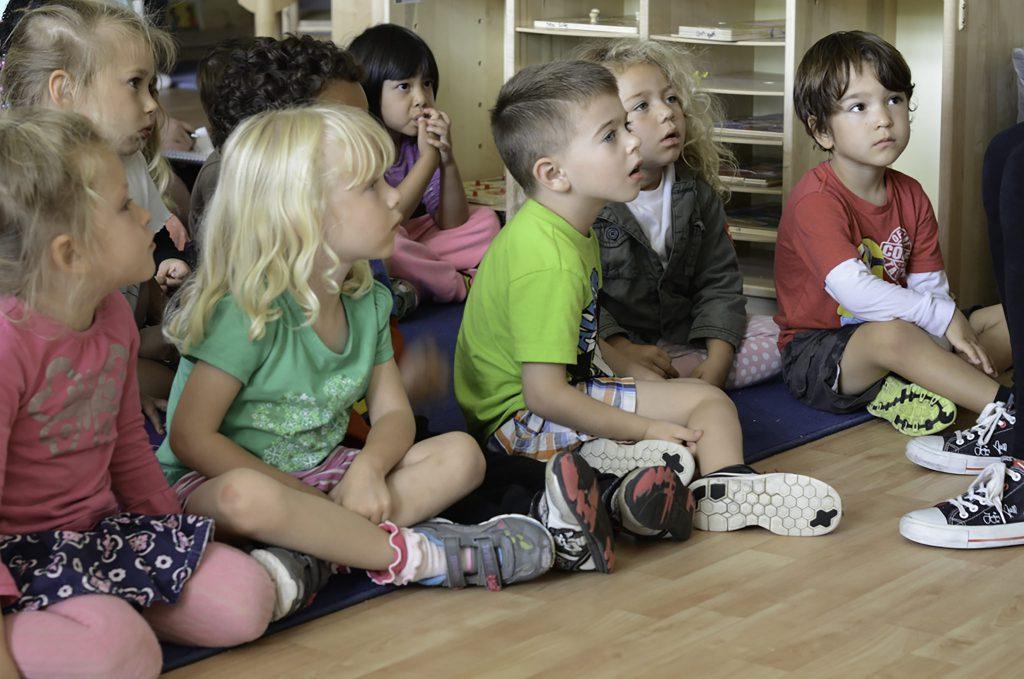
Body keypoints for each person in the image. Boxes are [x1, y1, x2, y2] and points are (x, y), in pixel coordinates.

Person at [157, 105, 553, 620]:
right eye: (371, 187)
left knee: (462, 455)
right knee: (244, 497)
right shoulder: (246, 310)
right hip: (233, 485)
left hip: (330, 478)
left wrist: (367, 468)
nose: (395, 197)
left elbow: (393, 416)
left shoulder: (367, 300)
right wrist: (298, 497)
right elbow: (191, 439)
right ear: (306, 211)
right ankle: (404, 553)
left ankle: (313, 556)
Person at [455, 61, 842, 574]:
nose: (633, 142)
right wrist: (643, 426)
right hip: (518, 426)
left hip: (568, 387)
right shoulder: (547, 259)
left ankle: (719, 486)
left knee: (707, 400)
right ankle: (642, 469)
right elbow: (542, 393)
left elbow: (582, 335)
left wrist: (626, 366)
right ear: (553, 173)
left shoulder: (572, 227)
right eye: (611, 135)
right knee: (684, 413)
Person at [0, 107, 275, 678]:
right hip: (18, 557)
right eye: (127, 207)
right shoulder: (9, 346)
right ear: (69, 253)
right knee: (120, 657)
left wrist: (169, 537)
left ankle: (101, 608)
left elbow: (127, 439)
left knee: (247, 599)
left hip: (99, 531)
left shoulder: (112, 318)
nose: (150, 216)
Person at [776, 30, 1014, 450]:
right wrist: (941, 322)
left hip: (908, 330)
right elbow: (854, 291)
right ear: (822, 131)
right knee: (893, 336)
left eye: (894, 99)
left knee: (1006, 317)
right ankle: (1008, 415)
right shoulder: (814, 200)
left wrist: (947, 331)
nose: (883, 118)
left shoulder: (911, 193)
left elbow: (931, 288)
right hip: (823, 354)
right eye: (858, 107)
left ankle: (925, 384)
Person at [577, 39, 781, 390]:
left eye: (670, 98)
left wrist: (719, 356)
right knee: (574, 352)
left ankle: (674, 383)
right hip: (614, 346)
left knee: (781, 336)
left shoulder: (697, 192)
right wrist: (623, 348)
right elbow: (582, 296)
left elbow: (718, 280)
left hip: (682, 335)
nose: (667, 112)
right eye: (642, 105)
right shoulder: (589, 204)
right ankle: (659, 382)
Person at [348, 23, 500, 306]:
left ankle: (413, 281)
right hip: (380, 236)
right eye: (404, 86)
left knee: (485, 222)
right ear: (370, 91)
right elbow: (386, 222)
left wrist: (446, 158)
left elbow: (451, 222)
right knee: (391, 246)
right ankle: (456, 283)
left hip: (413, 237)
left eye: (426, 84)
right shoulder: (361, 146)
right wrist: (429, 159)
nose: (421, 99)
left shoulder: (415, 143)